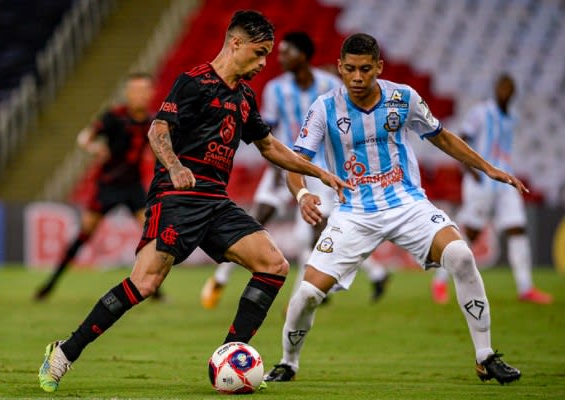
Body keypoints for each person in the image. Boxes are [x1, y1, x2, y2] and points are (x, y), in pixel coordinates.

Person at [37, 10, 350, 393]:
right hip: (177, 197)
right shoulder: (194, 83)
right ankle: (64, 353)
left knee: (273, 265)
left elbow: (269, 146)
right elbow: (158, 129)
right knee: (146, 282)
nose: (264, 63)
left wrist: (316, 171)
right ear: (235, 43)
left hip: (216, 202)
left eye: (268, 54)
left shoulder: (245, 97)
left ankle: (230, 358)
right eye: (259, 52)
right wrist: (174, 166)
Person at [263, 33, 523, 385]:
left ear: (379, 68)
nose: (357, 77)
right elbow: (295, 162)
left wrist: (486, 166)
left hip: (406, 204)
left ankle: (485, 356)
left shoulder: (403, 98)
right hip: (353, 212)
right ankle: (288, 363)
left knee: (461, 256)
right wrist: (302, 195)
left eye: (366, 69)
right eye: (350, 69)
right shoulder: (324, 107)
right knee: (307, 294)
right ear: (339, 68)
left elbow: (441, 135)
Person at [200, 32, 390, 310]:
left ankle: (313, 289)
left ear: (302, 55)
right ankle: (220, 278)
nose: (279, 58)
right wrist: (276, 165)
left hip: (320, 168)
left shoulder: (329, 84)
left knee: (319, 228)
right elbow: (269, 131)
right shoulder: (275, 89)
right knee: (257, 217)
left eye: (286, 52)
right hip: (282, 164)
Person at [34, 72, 164, 301]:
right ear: (127, 93)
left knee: (151, 237)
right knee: (84, 235)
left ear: (151, 93)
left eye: (144, 90)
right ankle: (50, 284)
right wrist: (95, 149)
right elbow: (85, 137)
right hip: (108, 186)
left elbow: (151, 152)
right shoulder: (114, 117)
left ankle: (153, 289)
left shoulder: (151, 123)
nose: (139, 95)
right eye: (135, 90)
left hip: (133, 187)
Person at [430, 74, 553, 305]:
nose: (505, 91)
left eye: (509, 88)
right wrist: (471, 170)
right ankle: (440, 281)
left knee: (517, 228)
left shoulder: (512, 117)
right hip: (481, 180)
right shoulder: (481, 112)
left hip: (505, 180)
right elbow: (461, 139)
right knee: (471, 234)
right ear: (496, 89)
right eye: (502, 87)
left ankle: (525, 287)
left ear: (513, 92)